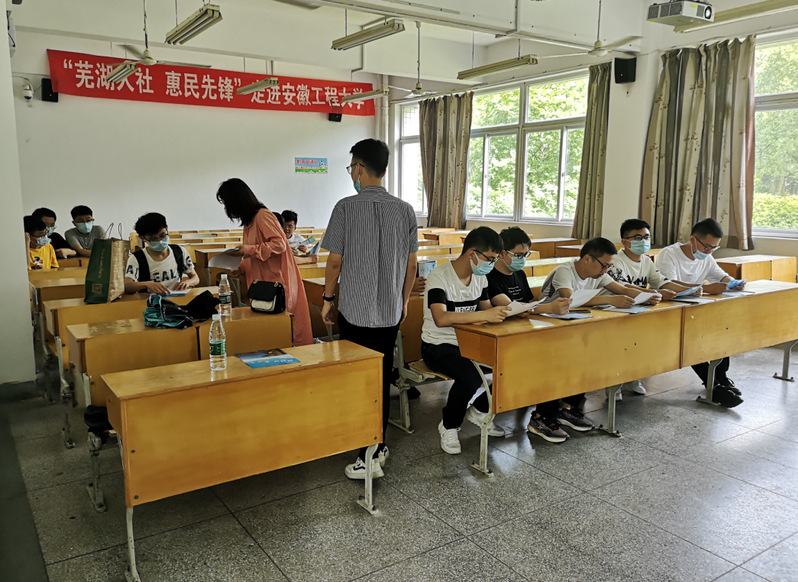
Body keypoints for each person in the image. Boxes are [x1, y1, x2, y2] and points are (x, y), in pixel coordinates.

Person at [321, 138, 418, 479]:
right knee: (380, 377)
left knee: (358, 379)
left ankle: (366, 454)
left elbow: (335, 262)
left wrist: (328, 299)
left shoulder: (345, 207)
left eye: (352, 168)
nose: (352, 174)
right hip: (390, 312)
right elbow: (411, 265)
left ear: (359, 168)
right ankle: (378, 445)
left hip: (355, 312)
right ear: (384, 170)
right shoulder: (405, 210)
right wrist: (404, 300)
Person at [537, 237, 653, 435]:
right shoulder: (565, 271)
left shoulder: (599, 273)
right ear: (587, 259)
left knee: (590, 359)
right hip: (547, 328)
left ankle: (568, 408)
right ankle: (544, 415)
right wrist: (611, 300)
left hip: (577, 327)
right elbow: (570, 299)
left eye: (609, 266)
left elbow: (622, 289)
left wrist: (650, 294)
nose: (605, 270)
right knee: (564, 364)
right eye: (604, 265)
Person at [421, 226, 511, 455]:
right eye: (489, 259)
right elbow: (441, 318)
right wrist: (485, 315)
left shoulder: (480, 278)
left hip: (470, 342)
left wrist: (505, 313)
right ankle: (449, 425)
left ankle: (480, 410)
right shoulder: (439, 276)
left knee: (513, 365)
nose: (492, 264)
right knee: (470, 376)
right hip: (437, 345)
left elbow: (486, 311)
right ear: (472, 254)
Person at [486, 227, 571, 443]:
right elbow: (511, 307)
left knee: (563, 351)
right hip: (501, 336)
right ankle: (542, 417)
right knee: (542, 360)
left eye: (526, 254)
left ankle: (558, 409)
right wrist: (548, 308)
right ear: (502, 252)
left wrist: (543, 306)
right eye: (518, 254)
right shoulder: (489, 276)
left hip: (524, 331)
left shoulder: (519, 274)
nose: (522, 259)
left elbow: (528, 305)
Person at [655, 218, 743, 408]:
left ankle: (721, 377)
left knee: (723, 330)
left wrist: (734, 283)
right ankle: (714, 385)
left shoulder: (707, 257)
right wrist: (707, 288)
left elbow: (721, 276)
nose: (709, 252)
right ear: (693, 239)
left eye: (714, 248)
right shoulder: (669, 254)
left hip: (698, 310)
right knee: (692, 339)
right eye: (707, 247)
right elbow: (670, 286)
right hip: (671, 311)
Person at [216, 178, 313, 347]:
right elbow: (256, 254)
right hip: (262, 285)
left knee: (284, 334)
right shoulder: (249, 222)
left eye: (227, 204)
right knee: (270, 336)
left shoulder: (263, 216)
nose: (227, 210)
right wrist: (241, 267)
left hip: (276, 284)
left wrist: (247, 250)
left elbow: (279, 245)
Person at [606, 218, 693, 401]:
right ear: (625, 241)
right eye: (638, 237)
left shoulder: (646, 261)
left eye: (646, 237)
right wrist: (655, 293)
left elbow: (662, 282)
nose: (644, 241)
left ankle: (634, 376)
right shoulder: (615, 261)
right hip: (615, 310)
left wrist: (691, 289)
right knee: (620, 345)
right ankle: (614, 384)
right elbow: (621, 288)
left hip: (639, 310)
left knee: (644, 341)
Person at [124, 212, 199, 295]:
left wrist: (188, 282)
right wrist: (146, 284)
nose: (159, 241)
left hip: (177, 297)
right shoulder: (137, 258)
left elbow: (195, 278)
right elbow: (127, 286)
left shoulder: (179, 252)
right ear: (142, 238)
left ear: (167, 228)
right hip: (150, 300)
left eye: (162, 236)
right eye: (153, 239)